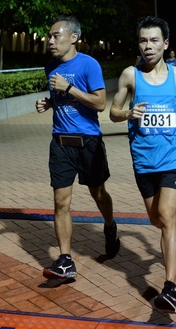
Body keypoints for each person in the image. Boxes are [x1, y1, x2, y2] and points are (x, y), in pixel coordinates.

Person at [110, 16, 176, 314]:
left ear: (165, 43)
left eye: (153, 40)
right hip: (143, 159)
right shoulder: (130, 75)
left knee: (164, 214)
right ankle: (173, 226)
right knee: (157, 219)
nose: (148, 46)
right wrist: (128, 113)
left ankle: (170, 288)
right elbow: (112, 111)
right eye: (143, 40)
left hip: (172, 157)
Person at [35, 15, 120, 280]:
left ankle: (109, 226)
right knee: (61, 202)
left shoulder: (89, 64)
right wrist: (50, 103)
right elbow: (61, 98)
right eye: (49, 36)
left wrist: (69, 87)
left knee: (98, 194)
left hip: (88, 142)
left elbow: (100, 103)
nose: (50, 41)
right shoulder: (50, 67)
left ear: (73, 38)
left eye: (55, 36)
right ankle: (65, 260)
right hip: (60, 142)